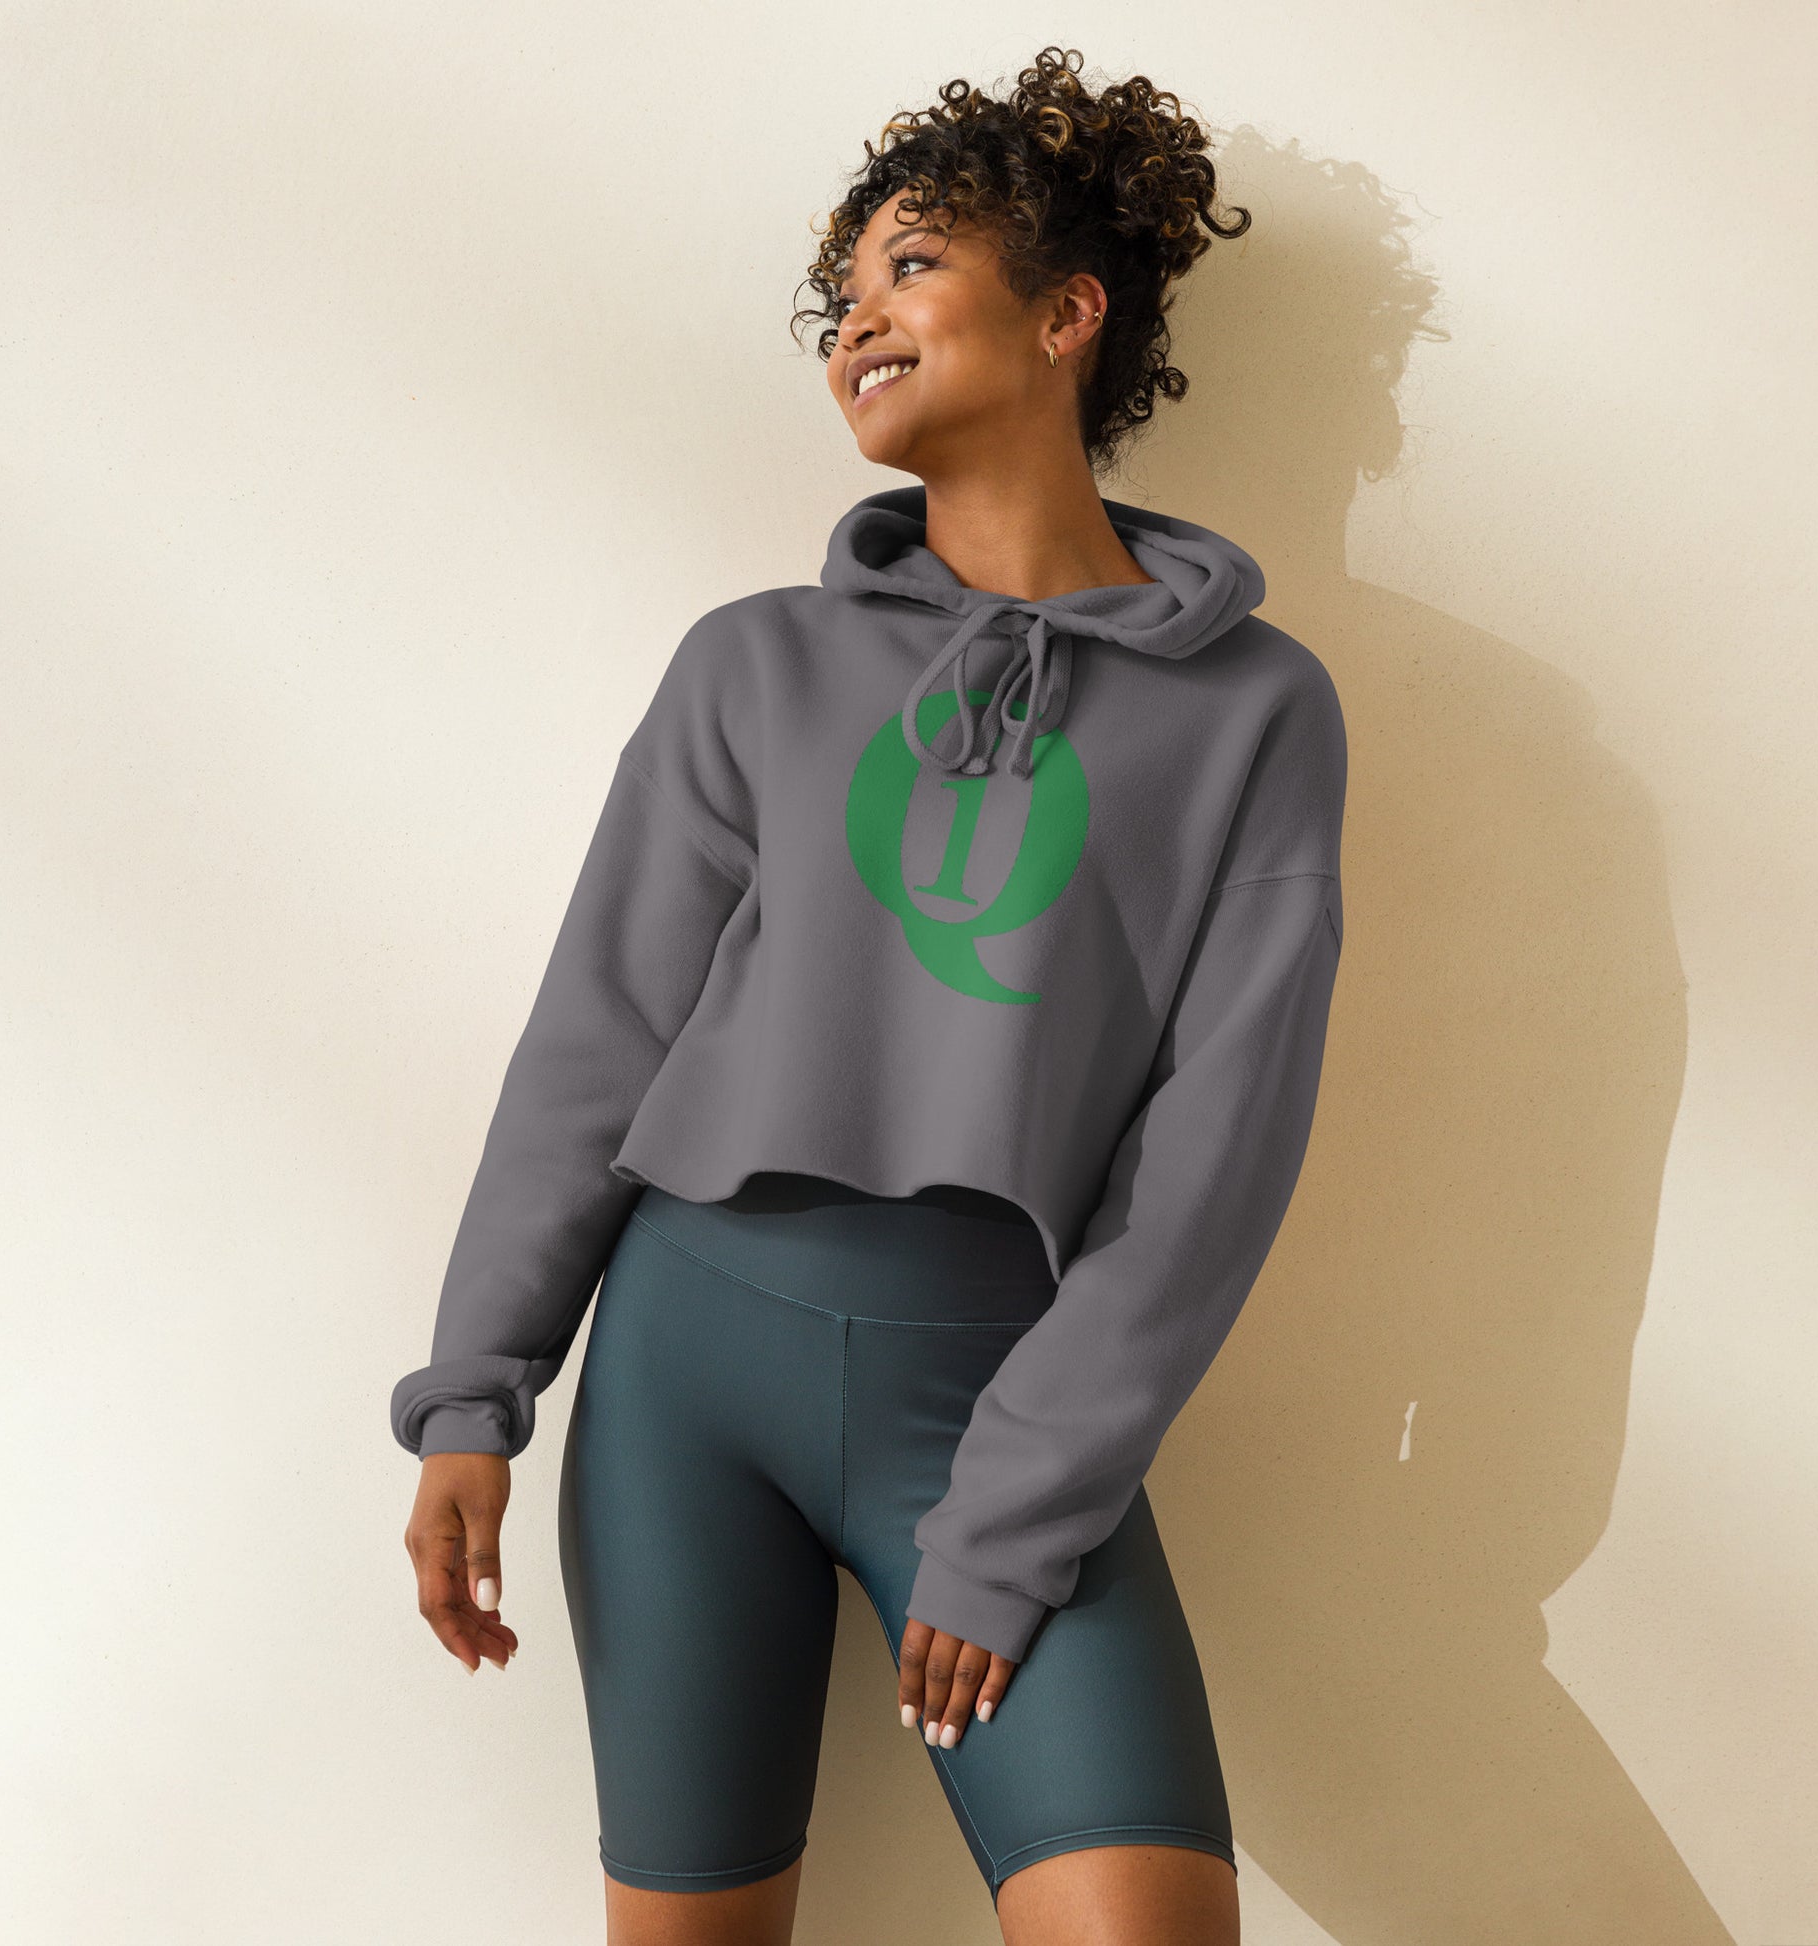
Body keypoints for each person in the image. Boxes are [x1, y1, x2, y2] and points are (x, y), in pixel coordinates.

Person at [392, 46, 1347, 1946]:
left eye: (910, 267)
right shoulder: (751, 667)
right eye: (840, 297)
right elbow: (596, 1038)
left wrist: (1012, 1518)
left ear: (1067, 313)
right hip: (682, 1379)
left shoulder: (1257, 709)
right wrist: (470, 1395)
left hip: (994, 1393)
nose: (855, 323)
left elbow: (1214, 1159)